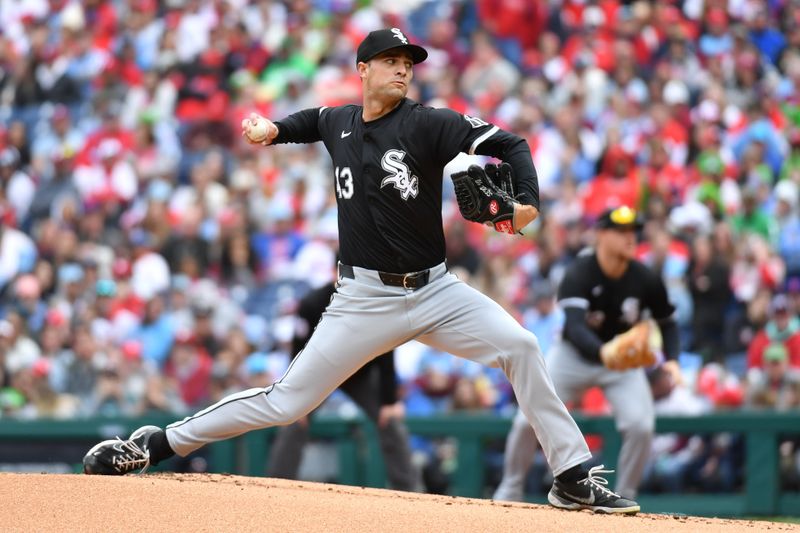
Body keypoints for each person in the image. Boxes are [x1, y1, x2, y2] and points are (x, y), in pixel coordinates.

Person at [82, 28, 639, 514]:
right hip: (363, 298)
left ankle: (570, 477)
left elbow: (510, 144)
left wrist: (527, 203)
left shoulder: (428, 124)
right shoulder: (340, 121)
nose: (403, 68)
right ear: (363, 69)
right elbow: (310, 122)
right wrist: (271, 129)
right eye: (392, 60)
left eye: (409, 62)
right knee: (287, 402)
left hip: (436, 289)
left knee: (520, 345)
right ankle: (156, 444)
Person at [493, 205, 681, 502]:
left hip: (619, 363)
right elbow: (576, 327)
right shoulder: (580, 271)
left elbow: (667, 323)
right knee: (526, 418)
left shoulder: (644, 277)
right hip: (572, 356)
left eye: (633, 231)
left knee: (641, 425)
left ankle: (627, 494)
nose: (630, 237)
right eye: (621, 231)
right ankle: (510, 489)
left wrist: (671, 359)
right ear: (600, 235)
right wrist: (603, 351)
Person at [267, 277, 419, 491]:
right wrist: (295, 395)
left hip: (360, 371)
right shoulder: (313, 302)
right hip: (320, 372)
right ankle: (276, 486)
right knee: (292, 417)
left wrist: (389, 400)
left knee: (391, 421)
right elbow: (298, 351)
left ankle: (411, 491)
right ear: (333, 271)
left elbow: (387, 349)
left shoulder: (374, 302)